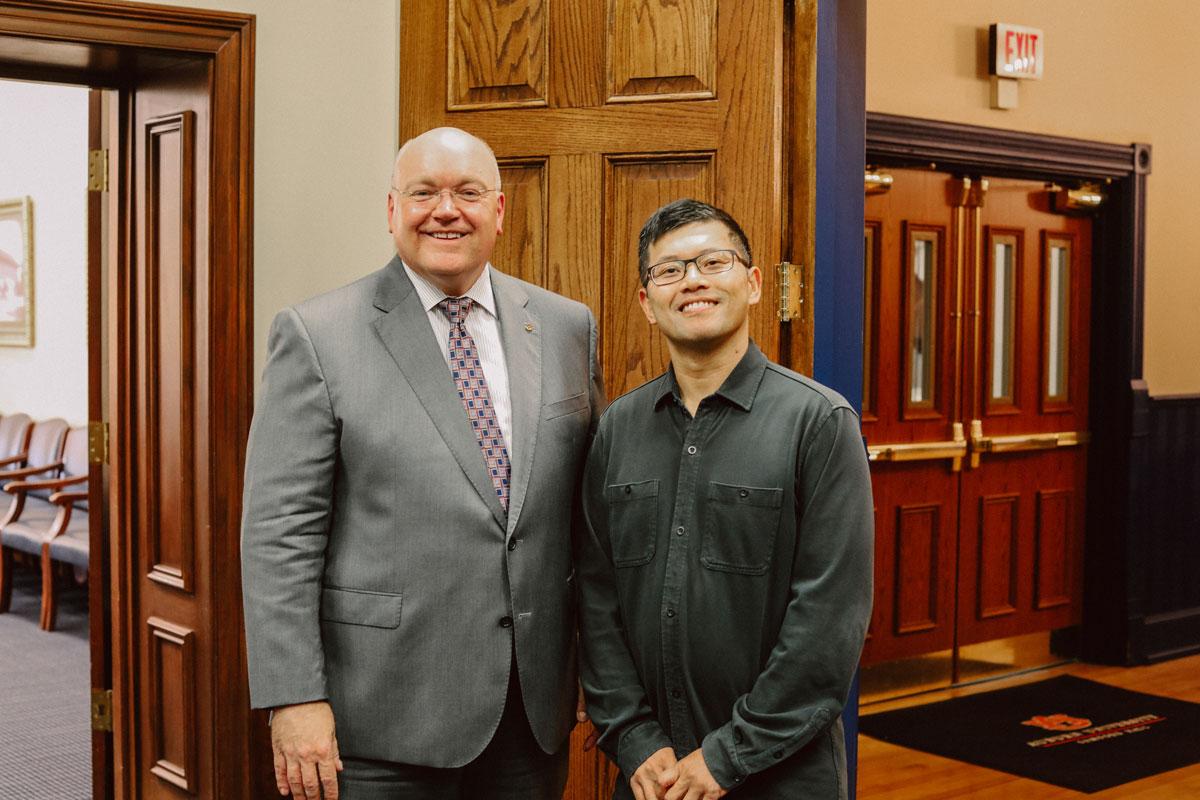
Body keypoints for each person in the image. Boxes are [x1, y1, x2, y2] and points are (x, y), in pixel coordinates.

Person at [241, 127, 605, 800]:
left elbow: (586, 521)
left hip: (530, 718)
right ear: (390, 210)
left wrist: (594, 665)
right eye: (423, 193)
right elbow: (277, 537)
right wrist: (294, 698)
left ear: (498, 212)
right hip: (380, 719)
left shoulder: (564, 327)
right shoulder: (317, 335)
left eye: (468, 192)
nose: (446, 210)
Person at [577, 199, 873, 799]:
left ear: (754, 283)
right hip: (651, 779)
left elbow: (829, 621)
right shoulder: (618, 428)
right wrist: (634, 737)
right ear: (647, 303)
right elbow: (594, 596)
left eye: (714, 261)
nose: (693, 280)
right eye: (669, 270)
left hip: (781, 774)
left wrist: (728, 756)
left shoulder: (819, 423)